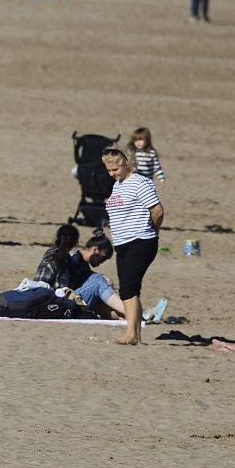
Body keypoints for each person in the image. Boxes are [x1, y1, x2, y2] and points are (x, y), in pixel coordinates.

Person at [102, 147, 163, 345]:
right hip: (123, 243)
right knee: (129, 290)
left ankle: (131, 333)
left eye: (115, 169)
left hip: (141, 241)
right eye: (108, 170)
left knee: (128, 288)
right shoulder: (117, 185)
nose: (112, 174)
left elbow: (157, 210)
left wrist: (154, 231)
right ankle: (134, 333)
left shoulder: (140, 182)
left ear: (126, 163)